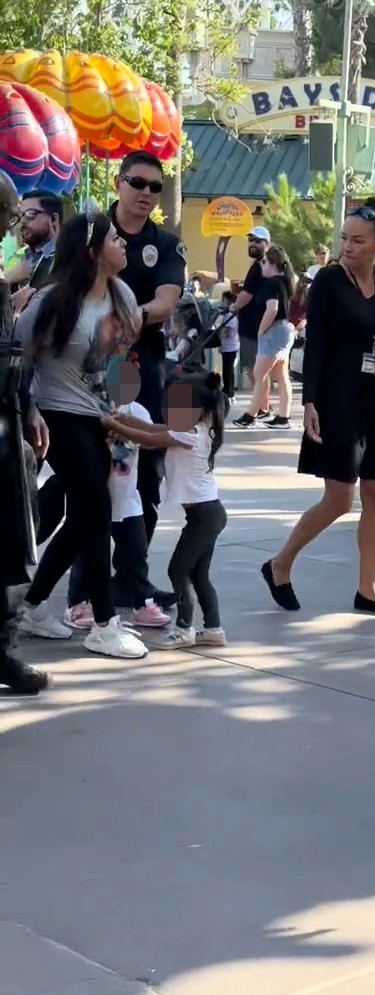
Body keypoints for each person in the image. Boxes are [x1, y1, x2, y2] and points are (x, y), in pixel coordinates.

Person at [262, 197, 375, 616]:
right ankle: (280, 563)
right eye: (345, 238)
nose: (348, 246)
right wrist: (308, 401)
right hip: (338, 398)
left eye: (358, 240)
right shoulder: (328, 283)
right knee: (339, 498)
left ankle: (368, 590)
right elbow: (316, 348)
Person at [15, 211, 148, 659]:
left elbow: (119, 363)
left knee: (83, 518)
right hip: (56, 415)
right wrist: (28, 410)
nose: (124, 243)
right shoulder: (50, 302)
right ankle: (105, 624)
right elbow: (19, 361)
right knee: (95, 508)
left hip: (100, 417)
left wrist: (119, 411)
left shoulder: (123, 296)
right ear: (92, 250)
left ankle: (33, 606)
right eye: (115, 238)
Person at [102, 372, 228, 650]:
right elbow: (152, 429)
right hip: (208, 514)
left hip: (204, 516)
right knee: (198, 574)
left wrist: (112, 423)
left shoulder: (188, 433)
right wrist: (122, 420)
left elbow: (147, 438)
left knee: (177, 570)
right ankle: (213, 628)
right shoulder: (200, 426)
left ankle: (185, 628)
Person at [110, 151, 186, 555]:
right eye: (137, 182)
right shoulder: (91, 232)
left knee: (145, 471)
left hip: (144, 364)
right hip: (86, 365)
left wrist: (124, 316)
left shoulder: (166, 245)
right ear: (118, 183)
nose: (146, 193)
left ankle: (132, 576)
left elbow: (165, 304)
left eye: (155, 187)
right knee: (83, 472)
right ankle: (78, 583)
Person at [0, 170, 52, 694]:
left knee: (14, 545)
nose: (13, 227)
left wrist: (29, 406)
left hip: (9, 423)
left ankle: (3, 649)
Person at [64, 397, 172, 631]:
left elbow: (150, 439)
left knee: (135, 552)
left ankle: (143, 602)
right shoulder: (86, 406)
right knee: (86, 553)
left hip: (127, 498)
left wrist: (123, 427)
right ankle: (78, 603)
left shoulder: (137, 410)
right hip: (94, 496)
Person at [233, 244, 296, 431]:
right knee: (281, 375)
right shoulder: (284, 281)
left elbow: (273, 308)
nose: (262, 266)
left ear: (274, 264)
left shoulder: (271, 284)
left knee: (259, 374)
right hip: (285, 329)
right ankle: (283, 416)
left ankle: (251, 415)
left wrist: (261, 330)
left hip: (274, 331)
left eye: (265, 263)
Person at [7, 190, 62, 316]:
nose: (23, 222)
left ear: (53, 219)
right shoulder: (22, 258)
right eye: (21, 216)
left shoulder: (65, 260)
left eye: (31, 214)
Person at [232, 226, 270, 403]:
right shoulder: (263, 264)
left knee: (253, 367)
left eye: (257, 241)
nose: (253, 244)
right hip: (257, 322)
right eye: (251, 240)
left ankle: (262, 405)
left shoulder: (259, 266)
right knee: (258, 368)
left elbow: (247, 294)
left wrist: (234, 306)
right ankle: (263, 404)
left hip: (252, 324)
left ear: (267, 244)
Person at [218, 291, 240, 401]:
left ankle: (229, 392)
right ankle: (228, 391)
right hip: (229, 346)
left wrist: (223, 335)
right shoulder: (230, 315)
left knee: (228, 371)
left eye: (223, 301)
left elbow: (229, 332)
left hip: (230, 347)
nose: (222, 303)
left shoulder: (229, 316)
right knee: (227, 370)